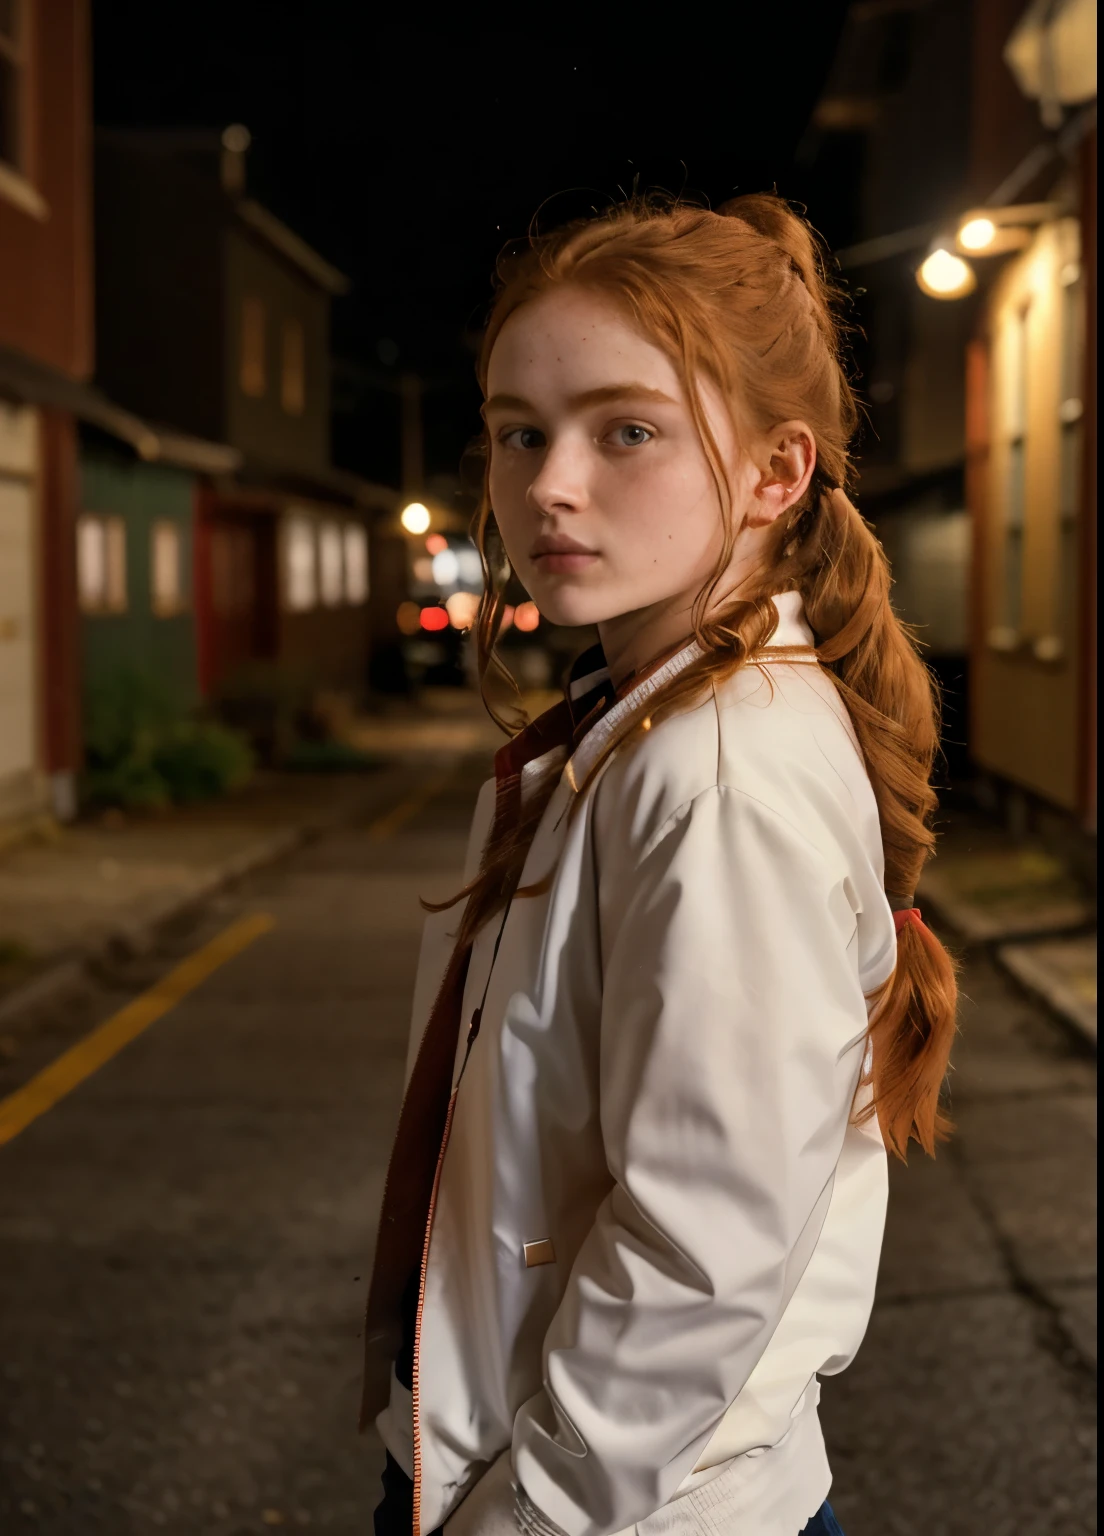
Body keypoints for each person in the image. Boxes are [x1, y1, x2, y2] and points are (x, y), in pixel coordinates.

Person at [361, 193, 958, 1536]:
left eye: (626, 430)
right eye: (520, 432)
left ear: (775, 471)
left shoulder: (719, 770)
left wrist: (528, 1517)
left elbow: (703, 1248)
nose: (549, 484)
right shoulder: (638, 723)